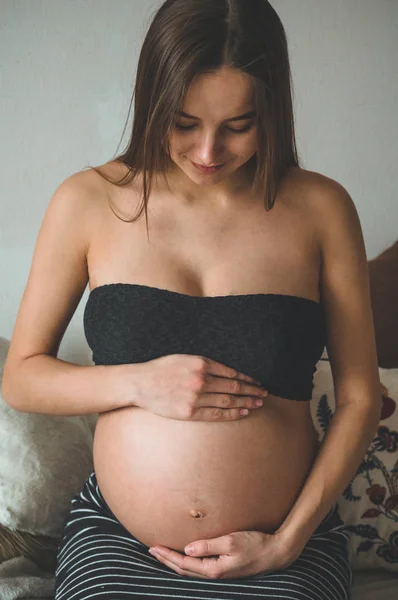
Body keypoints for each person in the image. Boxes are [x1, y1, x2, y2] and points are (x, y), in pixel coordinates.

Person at [3, 0, 381, 598]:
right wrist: (137, 383)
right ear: (152, 100)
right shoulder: (88, 201)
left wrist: (288, 540)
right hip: (122, 540)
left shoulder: (321, 209)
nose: (208, 152)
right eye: (183, 122)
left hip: (282, 543)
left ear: (273, 111)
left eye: (238, 125)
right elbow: (21, 377)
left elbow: (361, 395)